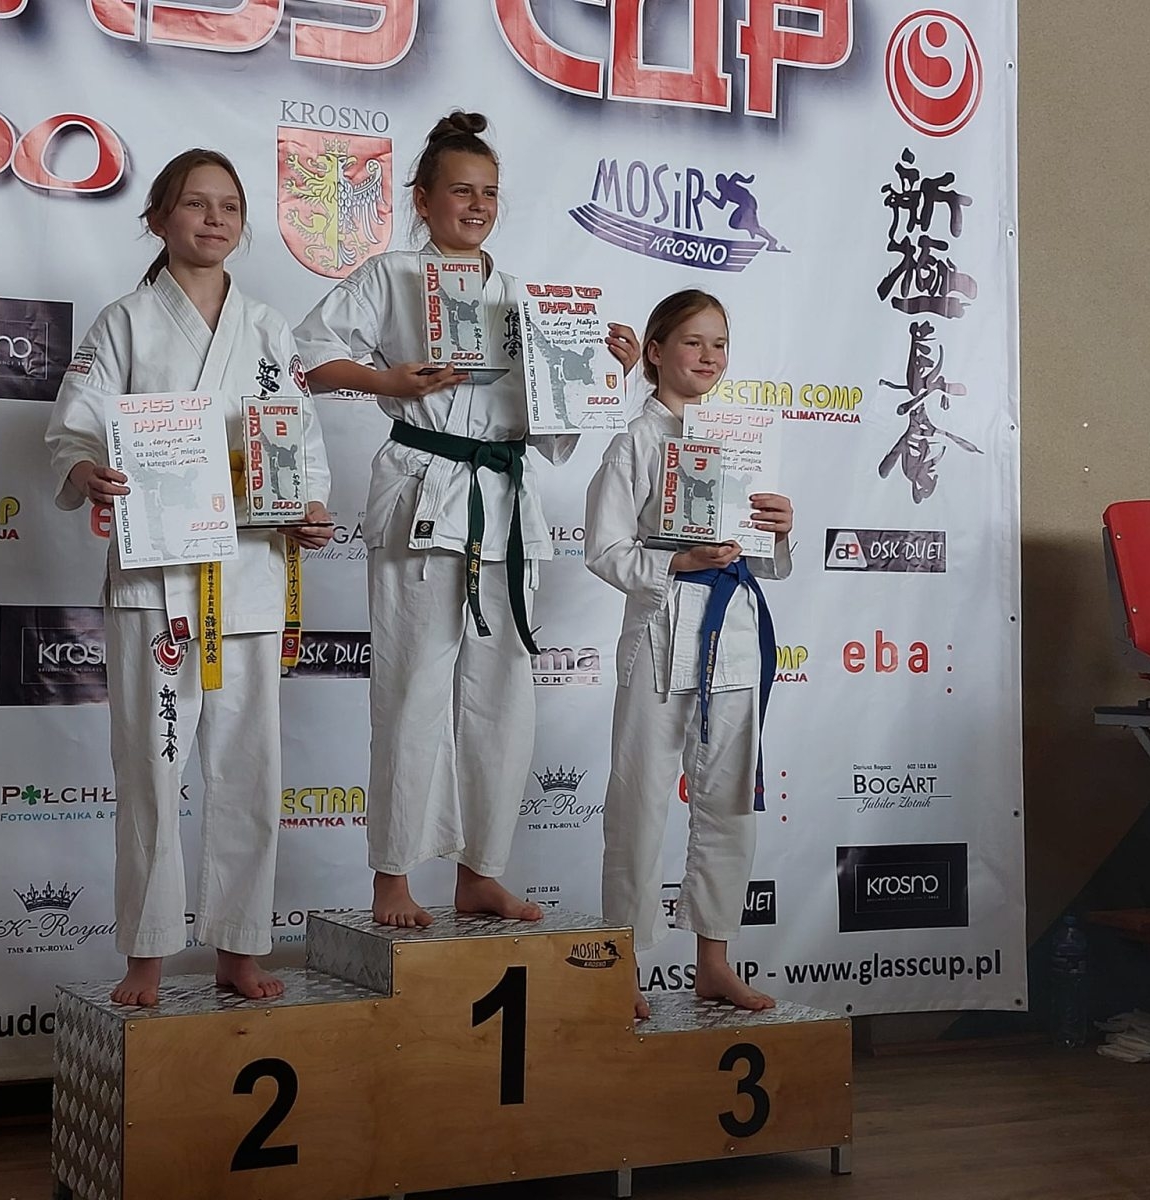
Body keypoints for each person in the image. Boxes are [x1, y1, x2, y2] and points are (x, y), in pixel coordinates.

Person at [294, 111, 637, 928]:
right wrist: (388, 382)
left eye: (488, 192)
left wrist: (605, 373)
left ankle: (481, 870)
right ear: (422, 199)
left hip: (506, 500)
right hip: (424, 490)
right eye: (460, 191)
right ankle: (392, 877)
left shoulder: (524, 298)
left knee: (502, 694)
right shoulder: (391, 276)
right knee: (412, 687)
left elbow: (549, 425)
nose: (477, 205)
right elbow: (306, 355)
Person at [45, 149, 334, 1006]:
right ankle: (145, 955)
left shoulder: (268, 328)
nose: (214, 219)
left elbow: (301, 442)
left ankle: (241, 946)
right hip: (157, 579)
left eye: (229, 207)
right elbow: (74, 429)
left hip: (249, 574)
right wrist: (88, 468)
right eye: (196, 204)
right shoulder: (126, 323)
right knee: (151, 770)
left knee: (251, 771)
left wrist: (309, 507)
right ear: (158, 219)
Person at [584, 289, 793, 1018]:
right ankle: (622, 967)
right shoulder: (634, 442)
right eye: (693, 342)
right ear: (655, 352)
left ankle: (714, 961)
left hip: (732, 631)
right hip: (661, 632)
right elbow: (604, 549)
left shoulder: (741, 439)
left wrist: (779, 529)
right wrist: (676, 561)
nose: (709, 357)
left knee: (729, 802)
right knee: (640, 800)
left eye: (719, 344)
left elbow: (760, 556)